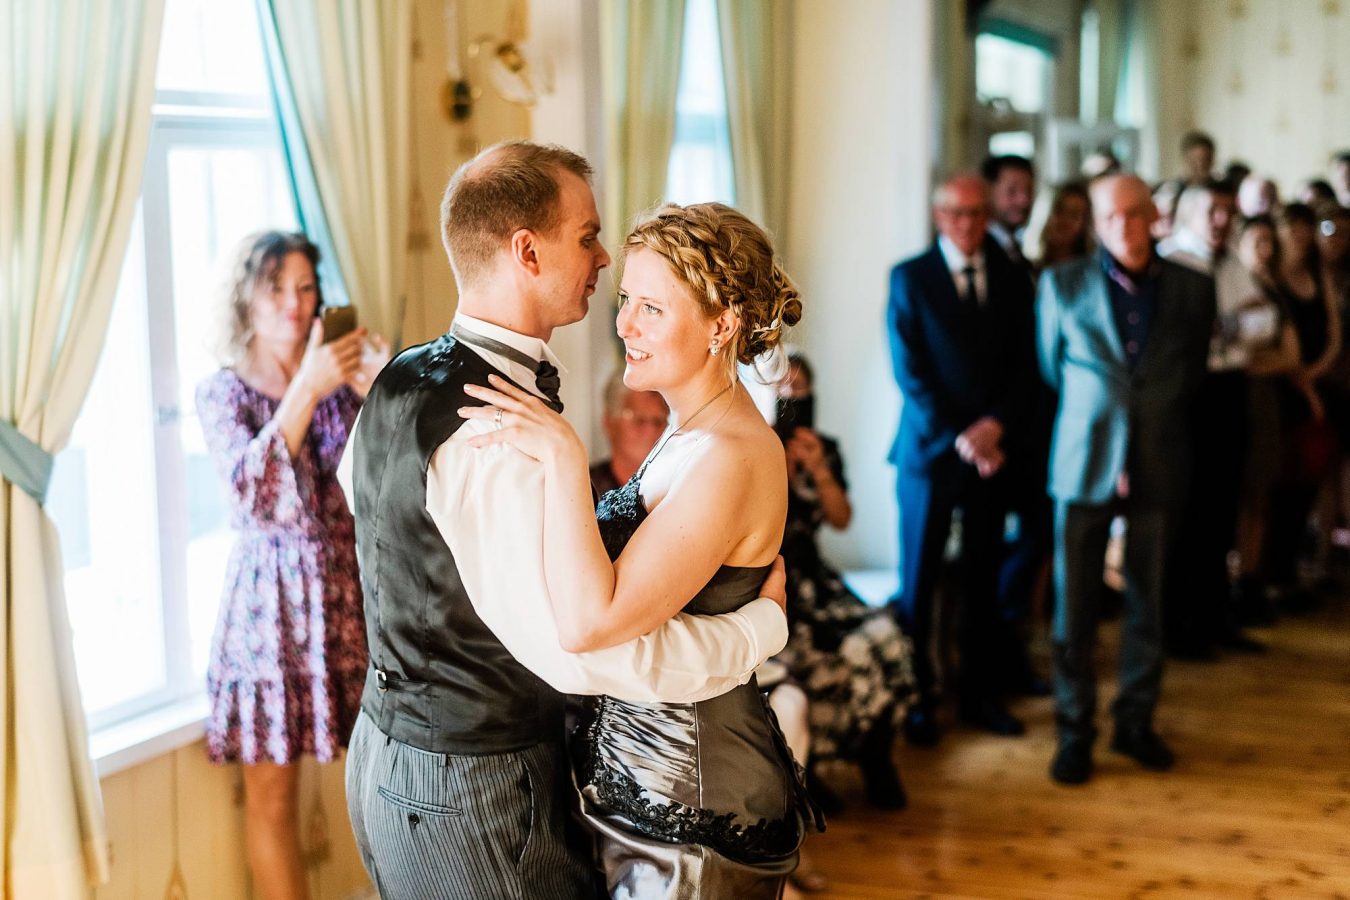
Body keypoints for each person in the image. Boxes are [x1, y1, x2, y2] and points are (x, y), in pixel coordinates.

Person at [340, 143, 795, 899]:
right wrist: (755, 634)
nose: (603, 261)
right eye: (588, 236)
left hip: (385, 750)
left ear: (721, 325)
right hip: (471, 784)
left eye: (650, 305)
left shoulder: (403, 374)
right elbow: (573, 650)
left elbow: (366, 507)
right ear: (528, 251)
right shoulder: (494, 428)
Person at [462, 200, 819, 898]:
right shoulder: (688, 431)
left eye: (651, 308)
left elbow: (590, 624)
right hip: (636, 783)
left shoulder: (731, 454)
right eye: (626, 300)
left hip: (697, 807)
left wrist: (566, 460)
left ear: (722, 325)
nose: (625, 324)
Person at [195, 231, 390, 900]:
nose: (294, 303)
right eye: (276, 288)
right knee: (272, 800)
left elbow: (387, 478)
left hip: (349, 602)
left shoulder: (341, 386)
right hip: (265, 614)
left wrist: (382, 388)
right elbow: (255, 495)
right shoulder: (223, 393)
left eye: (306, 287)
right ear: (245, 300)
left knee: (383, 780)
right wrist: (306, 386)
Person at [1037, 175, 1215, 785]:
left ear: (1154, 216)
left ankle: (1135, 722)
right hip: (1082, 459)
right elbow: (1051, 368)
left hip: (1161, 458)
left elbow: (1193, 371)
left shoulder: (1193, 287)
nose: (1125, 227)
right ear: (1096, 222)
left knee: (1149, 602)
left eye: (1135, 213)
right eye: (1111, 217)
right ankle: (1074, 730)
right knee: (1074, 610)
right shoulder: (1061, 284)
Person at [886, 174, 1037, 746]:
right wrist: (961, 436)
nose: (969, 224)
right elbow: (910, 372)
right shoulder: (911, 276)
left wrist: (995, 426)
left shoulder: (1011, 275)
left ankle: (978, 695)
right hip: (930, 452)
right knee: (919, 582)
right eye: (958, 213)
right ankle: (917, 698)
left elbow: (1027, 364)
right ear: (940, 215)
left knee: (982, 578)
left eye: (978, 213)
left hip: (992, 453)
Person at [771, 352, 917, 809]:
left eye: (801, 390)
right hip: (777, 579)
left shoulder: (824, 449)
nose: (792, 397)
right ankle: (811, 768)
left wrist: (818, 470)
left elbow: (841, 518)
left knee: (885, 634)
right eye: (784, 390)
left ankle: (876, 754)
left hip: (818, 576)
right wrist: (782, 470)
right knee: (829, 655)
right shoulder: (756, 446)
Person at [1158, 180, 1273, 657]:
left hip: (1230, 388)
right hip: (1189, 393)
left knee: (1224, 505)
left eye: (1228, 212)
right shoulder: (1170, 261)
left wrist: (1227, 324)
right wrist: (1234, 323)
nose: (1222, 221)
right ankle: (1178, 625)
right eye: (1213, 211)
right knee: (1188, 510)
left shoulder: (1233, 263)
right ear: (1188, 213)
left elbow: (1266, 322)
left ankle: (1214, 616)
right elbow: (1183, 333)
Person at [590, 371, 669, 495]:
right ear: (610, 423)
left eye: (658, 421)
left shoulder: (677, 487)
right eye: (640, 420)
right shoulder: (584, 488)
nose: (651, 430)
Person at [981, 154, 1037, 276]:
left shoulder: (1016, 246)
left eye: (1029, 190)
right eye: (1012, 191)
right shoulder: (977, 250)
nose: (1024, 200)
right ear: (988, 191)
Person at [1022, 181, 1093, 272]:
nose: (1065, 221)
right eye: (1059, 210)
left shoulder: (1092, 270)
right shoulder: (1018, 260)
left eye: (1074, 215)